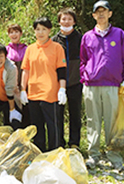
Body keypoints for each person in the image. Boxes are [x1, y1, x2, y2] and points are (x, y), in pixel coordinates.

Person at [80, 0, 124, 170]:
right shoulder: (87, 36)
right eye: (97, 12)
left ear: (110, 14)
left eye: (104, 11)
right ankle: (93, 156)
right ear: (94, 15)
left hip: (112, 84)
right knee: (92, 121)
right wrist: (85, 76)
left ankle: (114, 156)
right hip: (91, 85)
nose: (101, 14)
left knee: (111, 122)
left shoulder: (119, 34)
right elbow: (83, 60)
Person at [20, 17, 67, 152]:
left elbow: (62, 71)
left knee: (53, 126)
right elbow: (25, 71)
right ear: (34, 31)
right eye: (38, 29)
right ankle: (40, 153)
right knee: (37, 127)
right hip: (33, 93)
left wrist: (62, 89)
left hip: (50, 93)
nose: (41, 33)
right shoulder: (30, 49)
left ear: (49, 31)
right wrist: (23, 89)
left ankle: (55, 152)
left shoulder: (57, 48)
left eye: (44, 29)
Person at [52, 8, 83, 149]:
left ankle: (74, 143)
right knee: (57, 115)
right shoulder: (54, 41)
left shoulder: (81, 38)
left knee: (75, 114)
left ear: (74, 21)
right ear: (59, 22)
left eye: (69, 19)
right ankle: (59, 143)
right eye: (63, 19)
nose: (66, 21)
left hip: (76, 82)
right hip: (58, 84)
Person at [6, 24, 30, 128]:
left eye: (16, 32)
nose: (14, 34)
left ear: (21, 33)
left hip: (26, 87)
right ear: (8, 34)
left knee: (27, 115)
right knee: (12, 115)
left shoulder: (27, 49)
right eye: (11, 32)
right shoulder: (6, 50)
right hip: (11, 87)